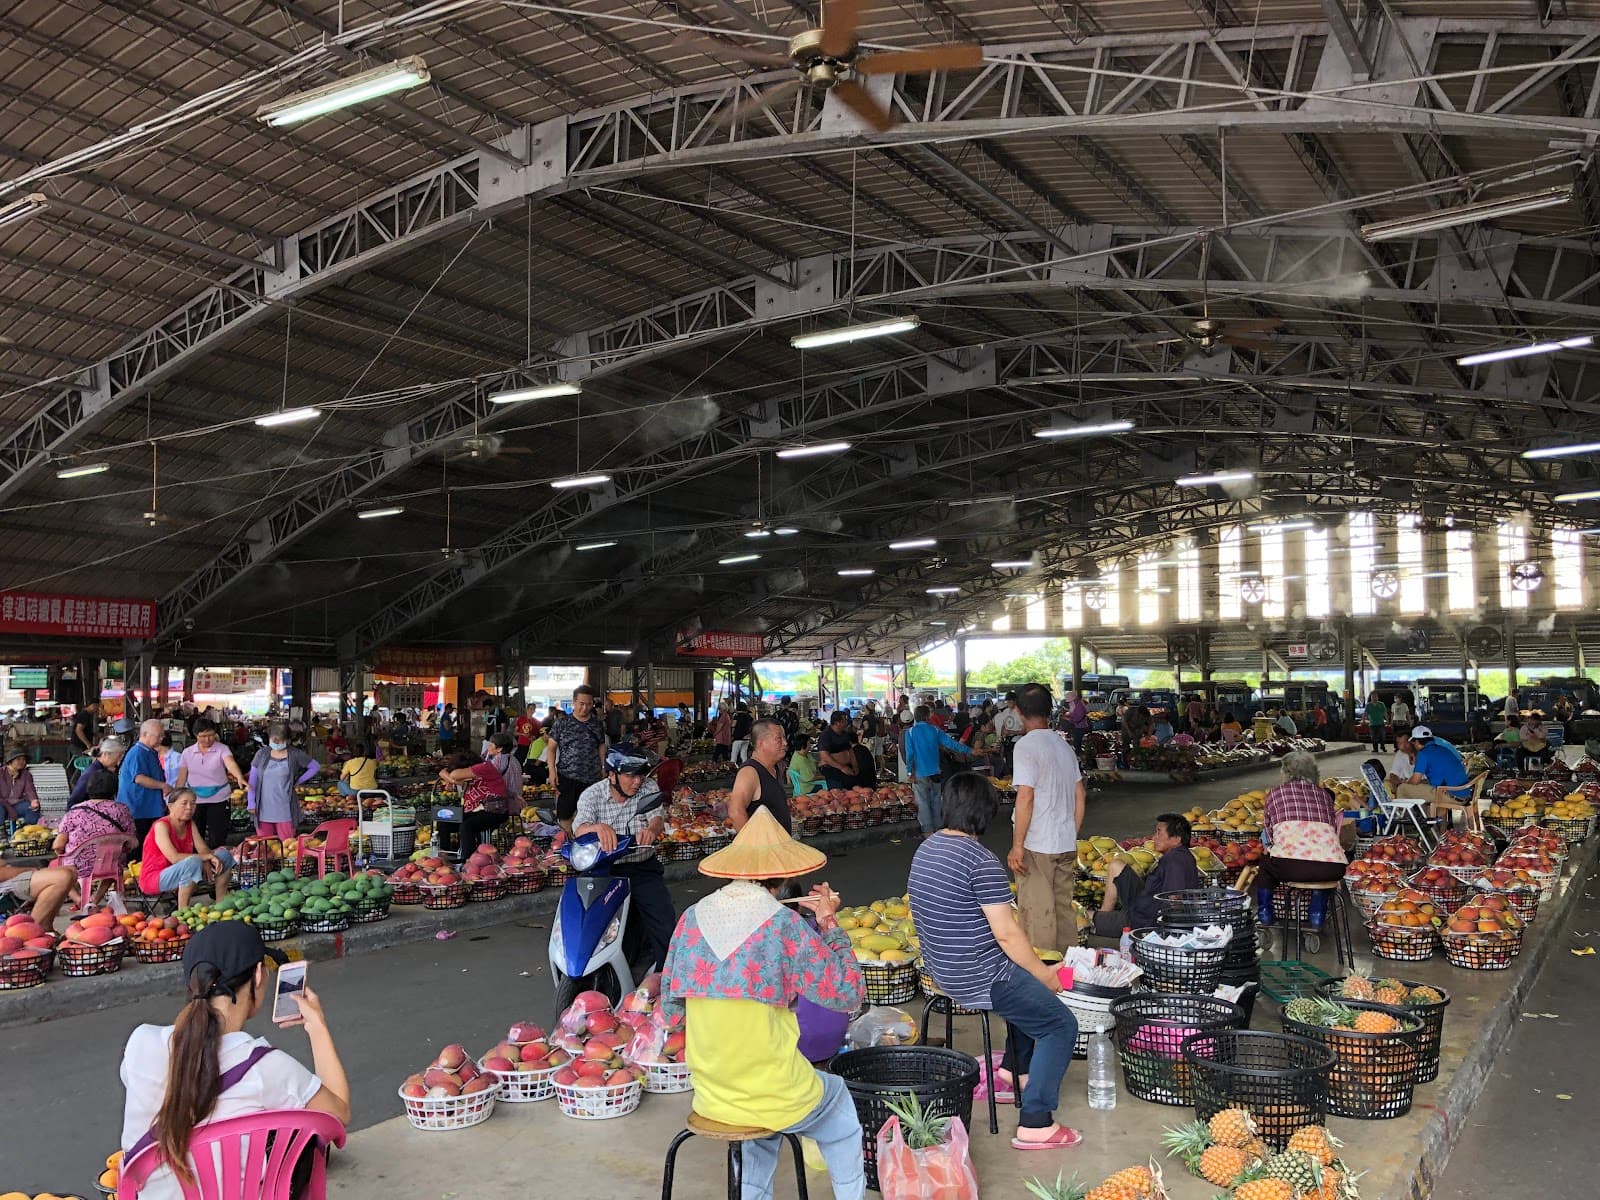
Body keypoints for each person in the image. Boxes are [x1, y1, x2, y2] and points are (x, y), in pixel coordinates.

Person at [661, 808, 865, 1199]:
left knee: (761, 1120)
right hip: (773, 1090)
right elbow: (847, 993)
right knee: (839, 1106)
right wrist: (828, 924)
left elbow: (671, 1013)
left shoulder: (690, 919)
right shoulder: (783, 924)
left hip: (712, 1091)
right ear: (784, 876)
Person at [908, 772, 1079, 1150]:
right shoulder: (979, 860)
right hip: (979, 976)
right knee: (1060, 1024)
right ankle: (1036, 1121)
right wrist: (1044, 974)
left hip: (941, 972)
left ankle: (1014, 1071)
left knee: (1027, 978)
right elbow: (1006, 933)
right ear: (986, 814)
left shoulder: (926, 848)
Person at [119, 922, 350, 1200]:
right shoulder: (266, 1067)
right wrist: (317, 1026)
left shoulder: (140, 1042)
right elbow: (339, 1114)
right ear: (257, 976)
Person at [574, 751, 675, 972]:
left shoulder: (648, 788)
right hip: (604, 869)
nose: (637, 782)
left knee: (664, 923)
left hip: (641, 865)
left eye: (640, 775)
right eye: (630, 776)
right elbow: (579, 829)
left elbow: (657, 818)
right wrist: (597, 828)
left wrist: (651, 830)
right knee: (587, 923)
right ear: (611, 775)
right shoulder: (592, 795)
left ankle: (667, 977)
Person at [1009, 683, 1086, 954]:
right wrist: (1070, 832)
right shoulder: (1063, 745)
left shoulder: (1026, 746)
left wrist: (1018, 845)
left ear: (1018, 710)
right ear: (1049, 710)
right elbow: (1079, 794)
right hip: (1065, 842)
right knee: (1063, 910)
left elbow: (1026, 797)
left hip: (1038, 844)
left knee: (1039, 913)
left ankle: (1042, 977)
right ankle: (1068, 974)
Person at [1254, 750, 1347, 936]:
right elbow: (1332, 828)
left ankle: (1265, 914)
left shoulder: (1275, 794)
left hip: (1290, 866)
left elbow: (1270, 836)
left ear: (1285, 772)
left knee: (1264, 866)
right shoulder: (1324, 795)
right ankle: (1316, 915)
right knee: (1321, 866)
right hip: (1333, 867)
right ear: (1314, 772)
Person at [1093, 814, 1203, 936]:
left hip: (1143, 921)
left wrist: (1153, 932)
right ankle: (1104, 916)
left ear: (1176, 839)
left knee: (1084, 918)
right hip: (1144, 902)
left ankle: (1101, 921)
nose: (1154, 837)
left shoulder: (1174, 861)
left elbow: (1173, 900)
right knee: (1116, 865)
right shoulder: (1183, 856)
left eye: (1159, 833)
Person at [141, 788, 235, 909]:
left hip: (183, 871)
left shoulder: (190, 824)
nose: (189, 807)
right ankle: (182, 913)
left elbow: (203, 849)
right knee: (193, 862)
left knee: (224, 855)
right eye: (184, 803)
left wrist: (207, 858)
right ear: (170, 806)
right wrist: (205, 857)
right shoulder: (161, 826)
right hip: (155, 878)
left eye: (193, 803)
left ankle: (221, 906)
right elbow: (174, 857)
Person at [53, 770, 136, 905]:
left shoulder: (75, 811)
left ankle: (79, 899)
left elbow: (58, 845)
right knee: (115, 862)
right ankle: (94, 899)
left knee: (55, 867)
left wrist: (62, 855)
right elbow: (131, 842)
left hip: (79, 866)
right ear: (114, 789)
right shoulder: (122, 810)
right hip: (111, 864)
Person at [176, 721, 248, 853]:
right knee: (195, 835)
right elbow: (181, 778)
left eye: (211, 735)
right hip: (195, 801)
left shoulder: (222, 749)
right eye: (203, 736)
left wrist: (239, 777)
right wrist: (175, 799)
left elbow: (230, 763)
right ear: (195, 735)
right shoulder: (187, 753)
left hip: (219, 799)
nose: (208, 739)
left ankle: (218, 864)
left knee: (218, 836)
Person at [900, 704, 972, 835]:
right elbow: (951, 744)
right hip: (935, 772)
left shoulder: (909, 733)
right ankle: (939, 830)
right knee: (936, 800)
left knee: (923, 802)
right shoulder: (935, 730)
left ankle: (928, 832)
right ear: (928, 716)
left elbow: (909, 755)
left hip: (920, 773)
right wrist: (969, 751)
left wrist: (910, 772)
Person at [545, 684, 608, 831]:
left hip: (593, 778)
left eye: (588, 704)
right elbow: (551, 749)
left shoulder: (597, 725)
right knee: (565, 814)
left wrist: (604, 767)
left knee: (590, 815)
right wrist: (552, 771)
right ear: (573, 702)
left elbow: (601, 746)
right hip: (567, 777)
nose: (585, 708)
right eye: (581, 704)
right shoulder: (562, 723)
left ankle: (586, 846)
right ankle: (567, 842)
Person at [246, 727, 320, 841]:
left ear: (287, 740)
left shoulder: (295, 754)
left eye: (280, 741)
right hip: (263, 810)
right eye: (274, 740)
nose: (276, 743)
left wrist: (299, 780)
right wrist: (251, 802)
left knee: (287, 846)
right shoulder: (261, 754)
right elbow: (252, 780)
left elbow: (315, 766)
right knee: (266, 847)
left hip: (286, 810)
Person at [437, 750, 513, 857]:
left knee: (467, 826)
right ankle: (445, 855)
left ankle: (469, 859)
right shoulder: (467, 774)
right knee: (444, 821)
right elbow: (442, 772)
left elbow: (454, 774)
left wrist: (453, 779)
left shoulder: (485, 767)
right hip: (475, 810)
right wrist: (453, 781)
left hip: (494, 811)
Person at [728, 719, 792, 832]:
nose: (785, 743)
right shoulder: (749, 772)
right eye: (778, 738)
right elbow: (735, 811)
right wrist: (753, 845)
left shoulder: (774, 768)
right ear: (760, 743)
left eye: (784, 738)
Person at [1406, 725, 1473, 825]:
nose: (1413, 744)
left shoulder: (1423, 754)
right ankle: (1434, 829)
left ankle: (1401, 824)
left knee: (1402, 789)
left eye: (1413, 742)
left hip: (1451, 795)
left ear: (1417, 741)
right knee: (1426, 793)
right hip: (1464, 793)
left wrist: (1405, 783)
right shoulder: (1443, 749)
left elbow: (1415, 781)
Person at [121, 719, 174, 844]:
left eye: (162, 735)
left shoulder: (150, 752)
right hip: (139, 809)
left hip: (150, 807)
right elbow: (139, 778)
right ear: (144, 734)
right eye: (158, 736)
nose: (161, 739)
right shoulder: (138, 752)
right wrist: (163, 786)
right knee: (141, 845)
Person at [68, 737, 127, 809]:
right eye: (117, 757)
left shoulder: (105, 770)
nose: (118, 761)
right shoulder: (92, 773)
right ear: (105, 754)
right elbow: (74, 800)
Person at [814, 710, 859, 791]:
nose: (846, 722)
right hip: (832, 770)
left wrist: (855, 765)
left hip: (847, 768)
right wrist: (841, 767)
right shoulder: (825, 735)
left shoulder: (845, 734)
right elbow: (824, 756)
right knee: (837, 793)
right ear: (837, 722)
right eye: (844, 721)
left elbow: (850, 751)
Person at [0, 748, 41, 825]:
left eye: (23, 759)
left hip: (17, 804)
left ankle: (27, 829)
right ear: (10, 761)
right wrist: (8, 808)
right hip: (2, 804)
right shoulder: (1, 773)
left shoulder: (26, 775)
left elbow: (30, 790)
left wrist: (34, 800)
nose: (22, 762)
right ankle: (1, 831)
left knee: (32, 808)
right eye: (18, 759)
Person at [487, 732, 523, 798]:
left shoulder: (497, 760)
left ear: (499, 749)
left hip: (504, 800)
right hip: (517, 798)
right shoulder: (514, 759)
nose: (488, 747)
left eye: (490, 745)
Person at [730, 703, 754, 767]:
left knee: (734, 755)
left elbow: (733, 725)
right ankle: (746, 767)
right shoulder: (749, 716)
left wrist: (731, 735)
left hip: (737, 737)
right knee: (743, 754)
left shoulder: (737, 716)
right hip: (746, 738)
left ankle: (733, 768)